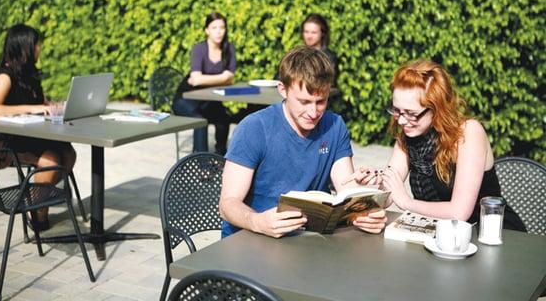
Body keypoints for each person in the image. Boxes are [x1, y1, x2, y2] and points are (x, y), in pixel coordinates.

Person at [219, 46, 387, 238]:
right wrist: (258, 222)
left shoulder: (335, 125)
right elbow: (227, 204)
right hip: (249, 237)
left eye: (321, 101)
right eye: (304, 102)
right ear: (283, 89)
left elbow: (345, 191)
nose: (313, 112)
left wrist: (362, 210)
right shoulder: (254, 128)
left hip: (306, 238)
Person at [371, 60, 525, 230]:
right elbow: (389, 196)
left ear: (438, 108)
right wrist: (374, 184)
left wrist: (407, 202)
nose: (401, 120)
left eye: (411, 114)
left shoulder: (468, 132)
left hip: (490, 233)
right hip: (441, 235)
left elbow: (459, 212)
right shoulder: (407, 136)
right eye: (397, 111)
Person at [0, 24, 76, 231]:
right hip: (7, 141)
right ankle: (36, 211)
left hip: (31, 136)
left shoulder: (30, 76)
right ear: (24, 46)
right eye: (36, 44)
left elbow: (41, 104)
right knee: (51, 159)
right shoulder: (5, 76)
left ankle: (38, 200)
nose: (39, 48)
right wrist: (32, 108)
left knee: (69, 154)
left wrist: (53, 107)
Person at [172, 12, 236, 155]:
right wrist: (222, 77)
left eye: (222, 27)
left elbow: (230, 77)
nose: (219, 32)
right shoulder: (199, 49)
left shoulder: (228, 49)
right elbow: (195, 79)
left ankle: (220, 157)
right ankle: (201, 163)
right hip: (186, 98)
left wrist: (203, 79)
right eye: (214, 28)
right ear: (207, 30)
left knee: (224, 118)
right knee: (200, 121)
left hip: (208, 100)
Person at [300, 13, 338, 81]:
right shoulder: (296, 56)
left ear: (322, 33)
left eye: (313, 32)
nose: (309, 36)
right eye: (306, 32)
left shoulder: (328, 58)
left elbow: (329, 84)